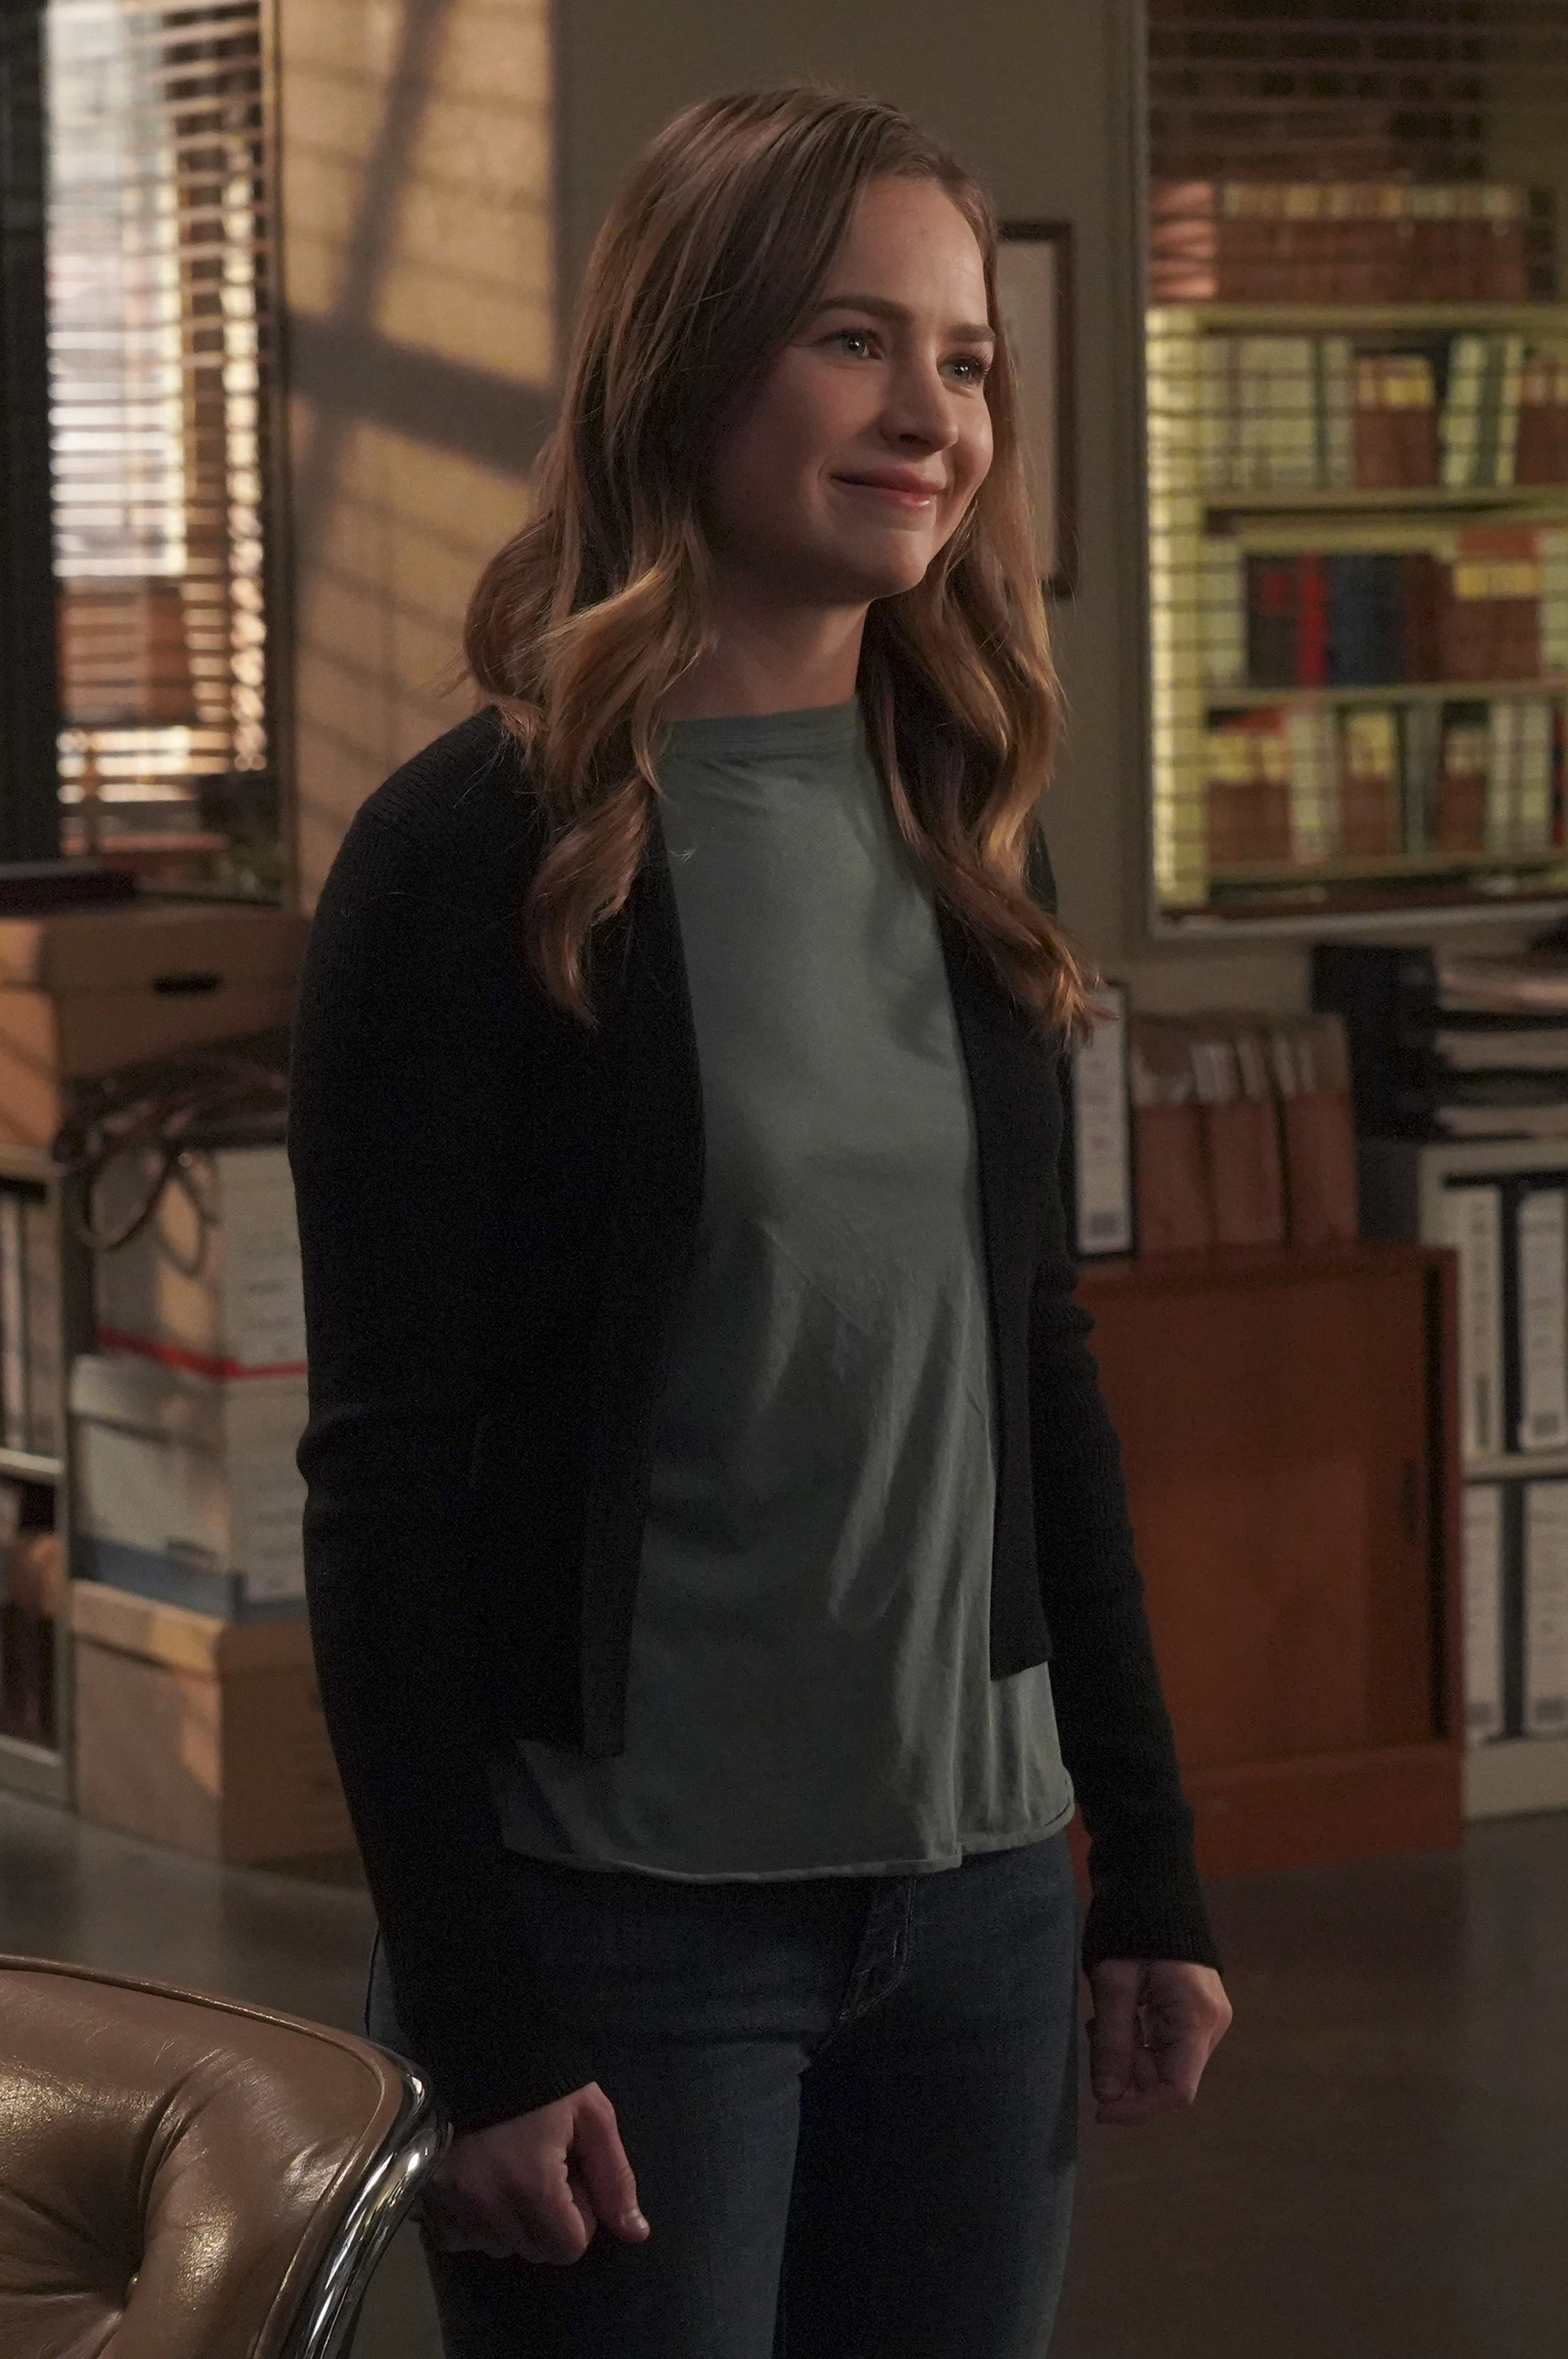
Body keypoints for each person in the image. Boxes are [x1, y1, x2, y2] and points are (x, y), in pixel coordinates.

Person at [288, 83, 1232, 2359]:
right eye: (853, 340)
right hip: (622, 1935)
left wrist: (1146, 1868)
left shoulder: (965, 824)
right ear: (687, 364)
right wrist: (481, 2032)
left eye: (966, 357)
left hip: (979, 1904)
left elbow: (1035, 1373)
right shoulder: (473, 858)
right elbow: (385, 1487)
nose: (932, 416)